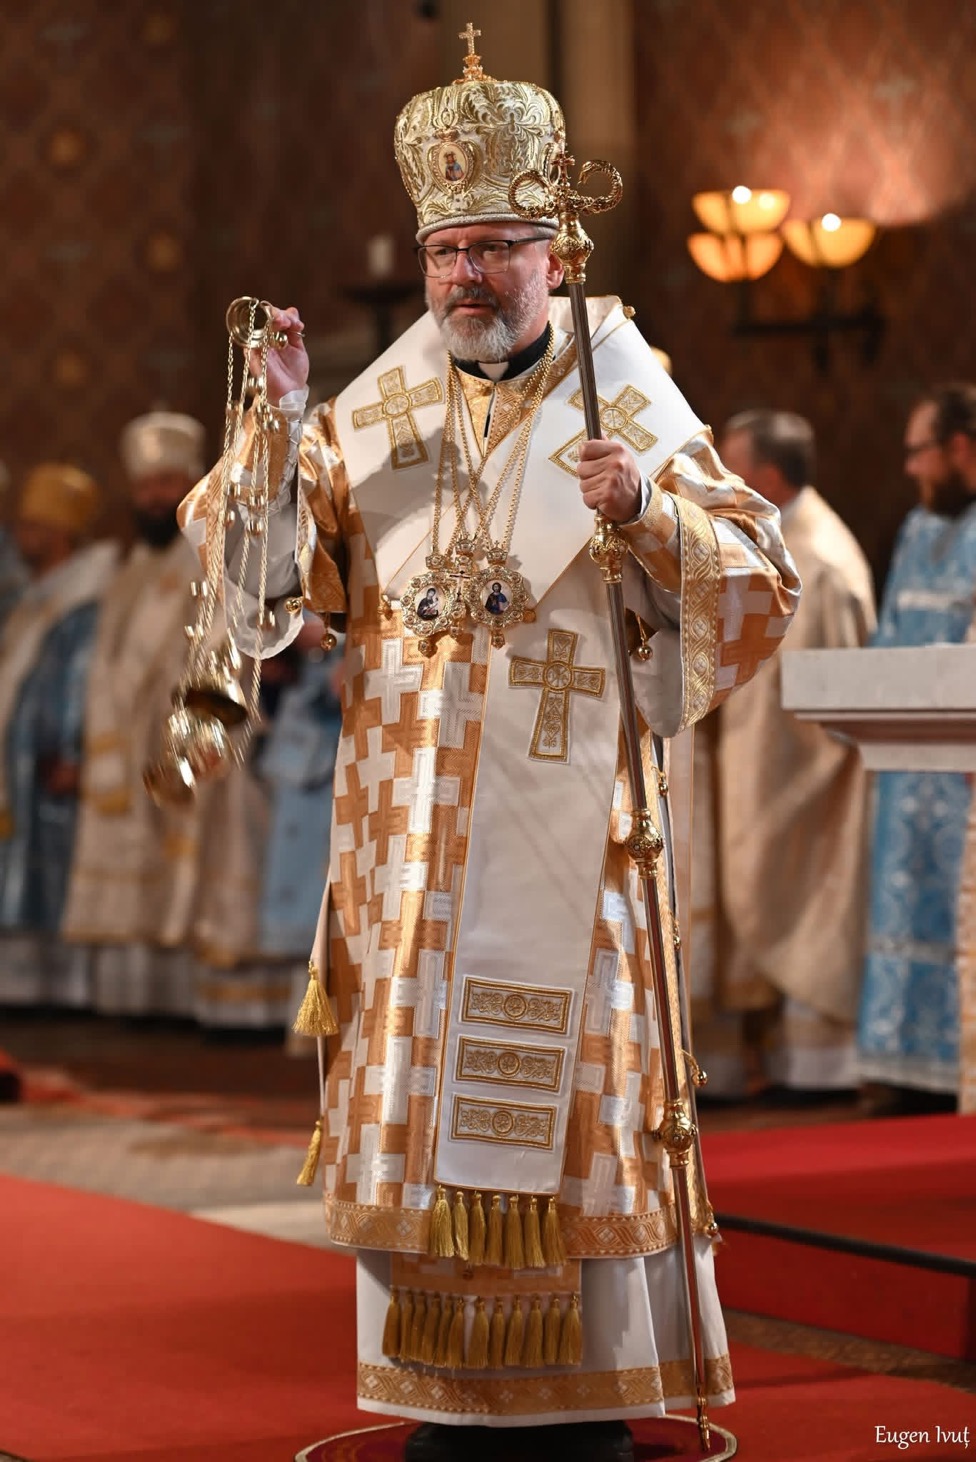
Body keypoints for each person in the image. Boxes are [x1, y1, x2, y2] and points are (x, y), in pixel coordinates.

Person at [180, 37, 799, 1462]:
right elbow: (252, 577)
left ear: (554, 255)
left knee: (570, 1091)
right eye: (445, 251)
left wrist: (645, 510)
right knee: (418, 1092)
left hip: (571, 843)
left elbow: (760, 579)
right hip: (404, 847)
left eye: (495, 249)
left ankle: (583, 1394)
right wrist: (276, 422)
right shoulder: (377, 410)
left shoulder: (624, 391)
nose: (466, 275)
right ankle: (439, 1392)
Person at [61, 412, 289, 1029]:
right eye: (145, 486)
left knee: (208, 864)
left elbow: (235, 643)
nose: (155, 497)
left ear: (193, 482)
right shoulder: (130, 571)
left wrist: (209, 727)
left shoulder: (217, 553)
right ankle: (146, 1001)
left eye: (167, 482)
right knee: (141, 869)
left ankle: (228, 1011)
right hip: (130, 742)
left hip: (204, 734)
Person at [689, 411, 876, 1101]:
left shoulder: (820, 560)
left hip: (803, 778)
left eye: (732, 468)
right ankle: (772, 1059)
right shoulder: (773, 541)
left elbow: (841, 699)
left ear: (766, 477)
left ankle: (819, 1067)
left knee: (804, 904)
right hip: (757, 764)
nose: (720, 481)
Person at [858, 382, 976, 1115]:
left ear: (959, 448)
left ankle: (953, 1063)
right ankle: (899, 1063)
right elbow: (890, 635)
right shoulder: (914, 529)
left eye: (919, 452)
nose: (910, 469)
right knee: (901, 908)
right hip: (906, 767)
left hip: (965, 771)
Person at [0, 463, 117, 1005]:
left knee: (51, 865)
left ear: (61, 532)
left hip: (49, 757)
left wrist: (72, 748)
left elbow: (80, 679)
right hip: (19, 755)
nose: (21, 536)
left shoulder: (84, 597)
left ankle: (61, 989)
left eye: (32, 527)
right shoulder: (34, 597)